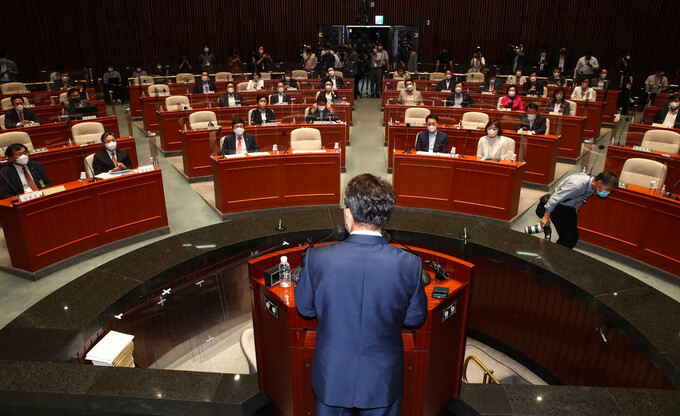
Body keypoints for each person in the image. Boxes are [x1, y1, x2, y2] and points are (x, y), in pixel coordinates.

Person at [295, 173, 428, 416]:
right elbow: (415, 318)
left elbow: (305, 309)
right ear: (386, 216)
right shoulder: (410, 264)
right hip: (382, 380)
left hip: (332, 376)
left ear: (348, 214)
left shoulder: (317, 258)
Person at [538, 171, 618, 249]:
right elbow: (555, 199)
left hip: (569, 207)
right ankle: (554, 256)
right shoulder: (577, 185)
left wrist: (574, 213)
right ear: (599, 183)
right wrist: (546, 217)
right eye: (608, 190)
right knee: (567, 237)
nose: (608, 192)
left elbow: (580, 199)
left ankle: (561, 256)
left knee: (574, 238)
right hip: (557, 205)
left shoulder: (593, 186)